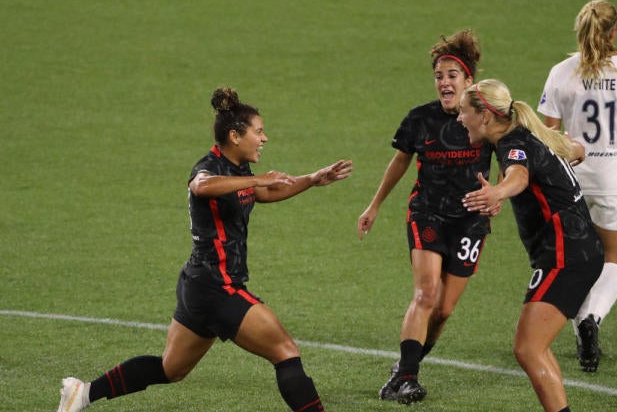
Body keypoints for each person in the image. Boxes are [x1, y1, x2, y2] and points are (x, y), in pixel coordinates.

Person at [56, 87, 353, 412]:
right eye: (259, 131)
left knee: (172, 369)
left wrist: (310, 179)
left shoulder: (238, 168)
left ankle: (82, 394)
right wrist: (255, 181)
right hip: (217, 287)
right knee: (285, 351)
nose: (265, 138)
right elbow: (201, 186)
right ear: (235, 135)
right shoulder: (209, 166)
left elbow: (263, 193)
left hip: (198, 284)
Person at [357, 29, 500, 405]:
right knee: (426, 293)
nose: (444, 82)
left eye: (453, 75)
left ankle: (402, 371)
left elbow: (513, 158)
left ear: (469, 81)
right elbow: (400, 160)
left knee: (444, 310)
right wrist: (374, 205)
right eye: (439, 76)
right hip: (428, 214)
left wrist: (497, 193)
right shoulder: (419, 120)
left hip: (471, 221)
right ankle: (408, 379)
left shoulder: (486, 119)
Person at [458, 78, 602, 412]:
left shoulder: (513, 143)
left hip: (566, 256)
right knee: (532, 347)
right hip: (577, 251)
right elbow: (575, 149)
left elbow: (519, 176)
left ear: (485, 117)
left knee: (528, 348)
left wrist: (498, 192)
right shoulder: (528, 134)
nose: (459, 119)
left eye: (464, 112)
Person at [537, 0, 617, 372]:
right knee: (613, 261)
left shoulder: (561, 72)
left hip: (572, 181)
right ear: (614, 32)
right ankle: (592, 319)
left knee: (577, 260)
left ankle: (580, 324)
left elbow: (548, 133)